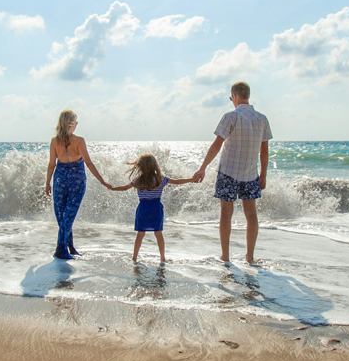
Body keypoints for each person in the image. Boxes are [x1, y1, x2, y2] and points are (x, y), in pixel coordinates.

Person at [193, 82, 272, 263]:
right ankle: (250, 257)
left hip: (228, 172)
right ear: (247, 96)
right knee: (251, 214)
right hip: (251, 174)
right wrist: (264, 175)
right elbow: (264, 151)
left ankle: (226, 256)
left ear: (235, 96)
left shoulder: (231, 117)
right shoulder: (262, 119)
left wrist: (203, 167)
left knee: (226, 214)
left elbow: (216, 145)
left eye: (231, 98)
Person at [45, 110, 109, 260]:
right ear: (73, 125)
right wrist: (102, 180)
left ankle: (69, 247)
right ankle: (61, 249)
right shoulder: (79, 140)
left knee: (63, 215)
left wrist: (47, 182)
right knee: (68, 215)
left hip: (60, 178)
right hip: (77, 179)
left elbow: (51, 165)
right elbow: (88, 162)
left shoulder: (55, 141)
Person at [108, 153, 196, 263]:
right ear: (154, 165)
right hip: (155, 209)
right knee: (158, 234)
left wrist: (112, 188)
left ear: (140, 166)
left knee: (140, 234)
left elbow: (125, 188)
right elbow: (177, 181)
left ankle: (134, 258)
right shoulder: (160, 179)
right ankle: (162, 258)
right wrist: (191, 179)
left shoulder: (138, 180)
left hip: (143, 208)